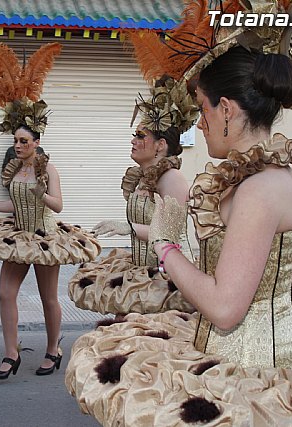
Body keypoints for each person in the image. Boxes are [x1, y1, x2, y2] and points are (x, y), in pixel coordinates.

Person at [65, 1, 292, 425]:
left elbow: (224, 308)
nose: (198, 124)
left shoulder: (261, 188)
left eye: (202, 109)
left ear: (227, 109)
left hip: (260, 380)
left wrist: (165, 247)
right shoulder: (262, 177)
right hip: (222, 356)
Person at [0, 42, 101, 380]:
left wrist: (42, 193)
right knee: (5, 293)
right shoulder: (13, 168)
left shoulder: (48, 169)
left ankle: (54, 348)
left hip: (45, 235)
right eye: (15, 140)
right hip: (19, 234)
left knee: (48, 297)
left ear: (36, 141)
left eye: (24, 141)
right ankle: (11, 353)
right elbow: (14, 203)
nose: (18, 145)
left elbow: (57, 205)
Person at [68, 76, 197, 317]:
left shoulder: (171, 178)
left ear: (160, 145)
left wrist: (128, 228)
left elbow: (173, 237)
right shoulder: (141, 176)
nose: (133, 140)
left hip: (164, 278)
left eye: (140, 136)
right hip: (139, 271)